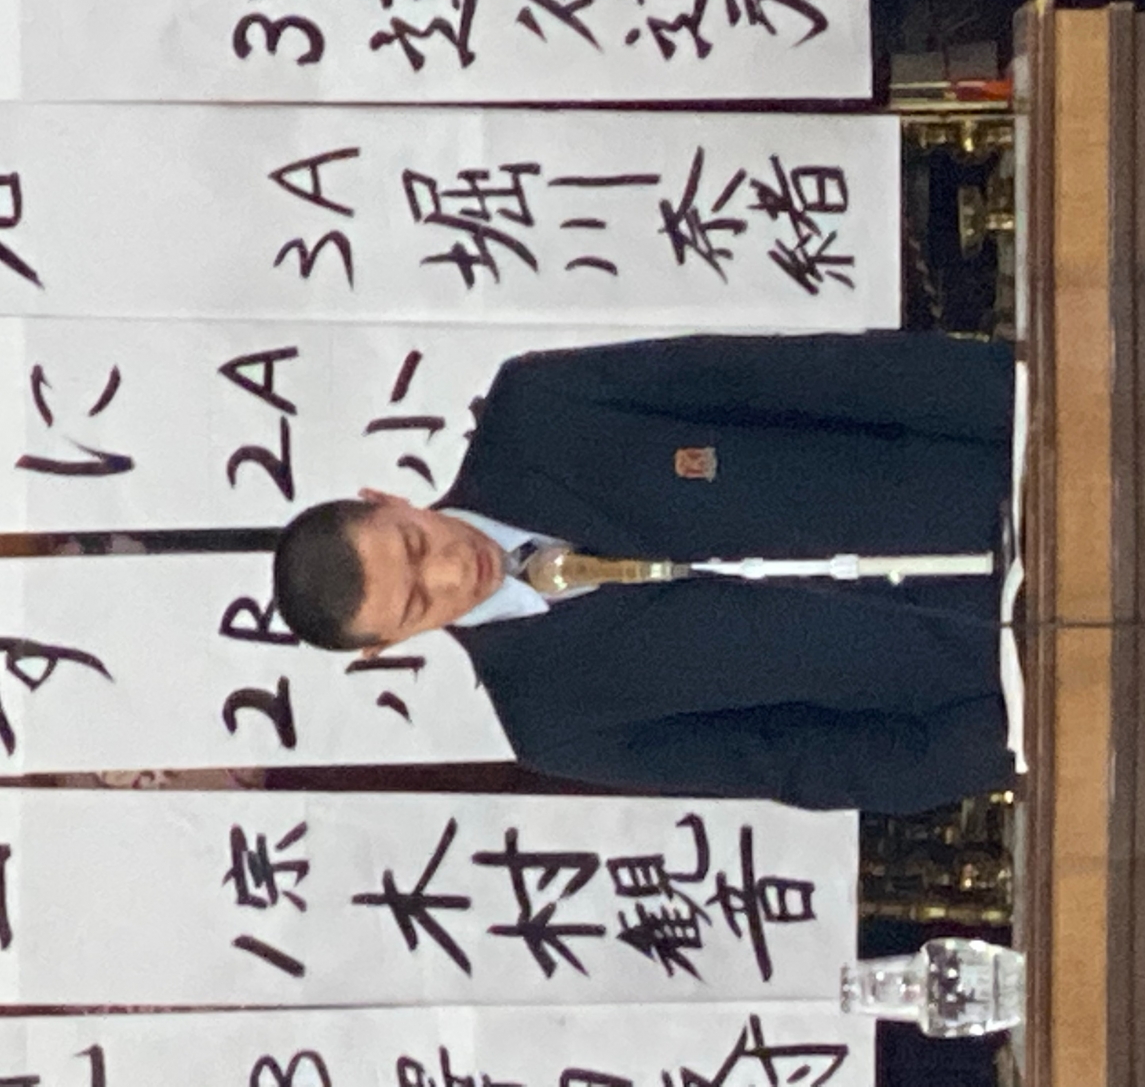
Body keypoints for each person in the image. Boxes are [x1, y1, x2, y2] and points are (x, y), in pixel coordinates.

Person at [274, 331, 1017, 813]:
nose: (448, 572)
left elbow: (794, 376)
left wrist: (1020, 403)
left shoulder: (539, 409)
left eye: (413, 545)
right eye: (415, 603)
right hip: (996, 679)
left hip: (998, 471)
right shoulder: (554, 723)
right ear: (387, 648)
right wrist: (1015, 733)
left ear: (388, 498)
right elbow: (800, 762)